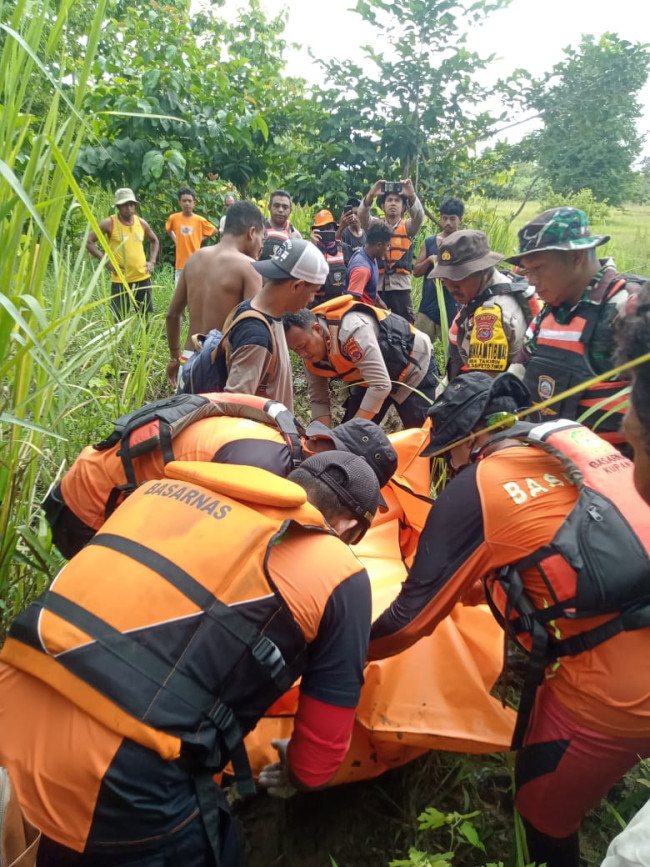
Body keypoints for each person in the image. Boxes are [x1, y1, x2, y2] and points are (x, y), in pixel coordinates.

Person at [0, 451, 380, 865]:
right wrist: (297, 769)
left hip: (11, 701)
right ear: (350, 527)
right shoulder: (340, 573)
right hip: (115, 774)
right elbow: (318, 760)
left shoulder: (155, 493)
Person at [368, 372, 650, 867]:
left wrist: (332, 651)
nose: (450, 466)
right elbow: (549, 553)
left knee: (540, 810)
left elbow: (405, 625)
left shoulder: (479, 485)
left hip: (614, 698)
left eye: (450, 453)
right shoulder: (572, 439)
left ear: (473, 438)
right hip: (628, 628)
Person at [42, 389, 397, 560]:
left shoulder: (286, 443)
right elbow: (203, 551)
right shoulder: (264, 467)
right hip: (91, 508)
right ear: (328, 451)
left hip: (100, 484)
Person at [507, 207, 643, 441]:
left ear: (576, 256)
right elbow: (518, 373)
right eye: (528, 271)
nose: (533, 282)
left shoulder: (628, 309)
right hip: (545, 457)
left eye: (538, 268)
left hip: (613, 468)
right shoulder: (548, 312)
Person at [283, 297, 438, 428]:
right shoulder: (309, 355)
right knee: (347, 443)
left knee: (424, 434)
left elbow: (381, 386)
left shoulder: (350, 331)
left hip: (411, 367)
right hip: (369, 380)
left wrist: (351, 431)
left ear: (317, 330)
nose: (302, 354)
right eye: (295, 350)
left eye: (303, 346)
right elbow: (319, 399)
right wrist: (321, 437)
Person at [165, 201, 264, 390]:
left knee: (184, 417)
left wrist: (174, 356)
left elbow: (172, 315)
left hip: (188, 358)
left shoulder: (194, 259)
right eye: (262, 238)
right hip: (219, 365)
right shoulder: (249, 268)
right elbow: (253, 331)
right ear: (252, 233)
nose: (261, 246)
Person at [223, 239, 329, 411]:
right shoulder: (256, 335)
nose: (311, 300)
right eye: (313, 292)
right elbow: (235, 408)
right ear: (297, 286)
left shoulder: (255, 311)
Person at [429, 229, 535, 379]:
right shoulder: (498, 285)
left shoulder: (490, 315)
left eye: (458, 277)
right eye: (445, 278)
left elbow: (482, 386)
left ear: (483, 270)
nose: (451, 287)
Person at [86, 187, 160, 318]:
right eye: (125, 204)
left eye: (132, 204)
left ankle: (142, 338)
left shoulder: (141, 223)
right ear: (118, 206)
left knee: (144, 316)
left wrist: (152, 261)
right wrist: (106, 261)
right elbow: (88, 241)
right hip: (121, 279)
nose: (129, 208)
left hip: (142, 277)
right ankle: (119, 338)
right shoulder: (110, 223)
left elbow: (154, 240)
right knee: (119, 316)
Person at [358, 178, 424, 323]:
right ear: (382, 205)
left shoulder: (408, 227)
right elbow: (362, 217)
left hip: (400, 287)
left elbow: (419, 217)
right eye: (389, 200)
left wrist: (411, 195)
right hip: (378, 287)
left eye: (397, 200)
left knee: (406, 326)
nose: (393, 203)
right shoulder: (376, 226)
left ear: (404, 207)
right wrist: (370, 196)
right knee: (377, 324)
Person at [413, 197, 463, 343]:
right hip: (427, 307)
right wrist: (429, 260)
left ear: (460, 219)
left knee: (453, 355)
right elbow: (416, 272)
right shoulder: (430, 242)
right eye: (445, 218)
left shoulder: (464, 243)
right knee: (418, 349)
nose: (448, 222)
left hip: (452, 308)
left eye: (452, 219)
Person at [165, 188, 216, 284]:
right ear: (179, 202)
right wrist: (175, 239)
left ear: (194, 203)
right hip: (180, 265)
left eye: (189, 201)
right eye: (184, 201)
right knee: (180, 295)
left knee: (195, 293)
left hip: (195, 264)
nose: (187, 203)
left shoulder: (199, 220)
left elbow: (214, 230)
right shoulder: (173, 218)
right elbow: (168, 229)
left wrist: (199, 239)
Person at [343, 222, 392, 306]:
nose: (388, 249)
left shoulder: (368, 255)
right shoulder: (362, 269)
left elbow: (371, 291)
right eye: (387, 245)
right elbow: (351, 301)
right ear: (379, 245)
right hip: (360, 313)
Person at [308, 209, 347, 307]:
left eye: (328, 227)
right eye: (321, 228)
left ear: (334, 228)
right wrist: (312, 246)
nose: (325, 231)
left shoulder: (344, 248)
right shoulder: (309, 250)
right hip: (316, 303)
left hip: (340, 301)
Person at [260, 189, 302, 260]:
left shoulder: (295, 235)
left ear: (290, 210)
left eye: (285, 207)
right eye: (276, 206)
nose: (280, 210)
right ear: (269, 207)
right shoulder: (259, 229)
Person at [336, 197, 366, 265]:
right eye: (350, 214)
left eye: (356, 213)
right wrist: (341, 227)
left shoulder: (366, 233)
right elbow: (334, 246)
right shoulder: (343, 233)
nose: (353, 217)